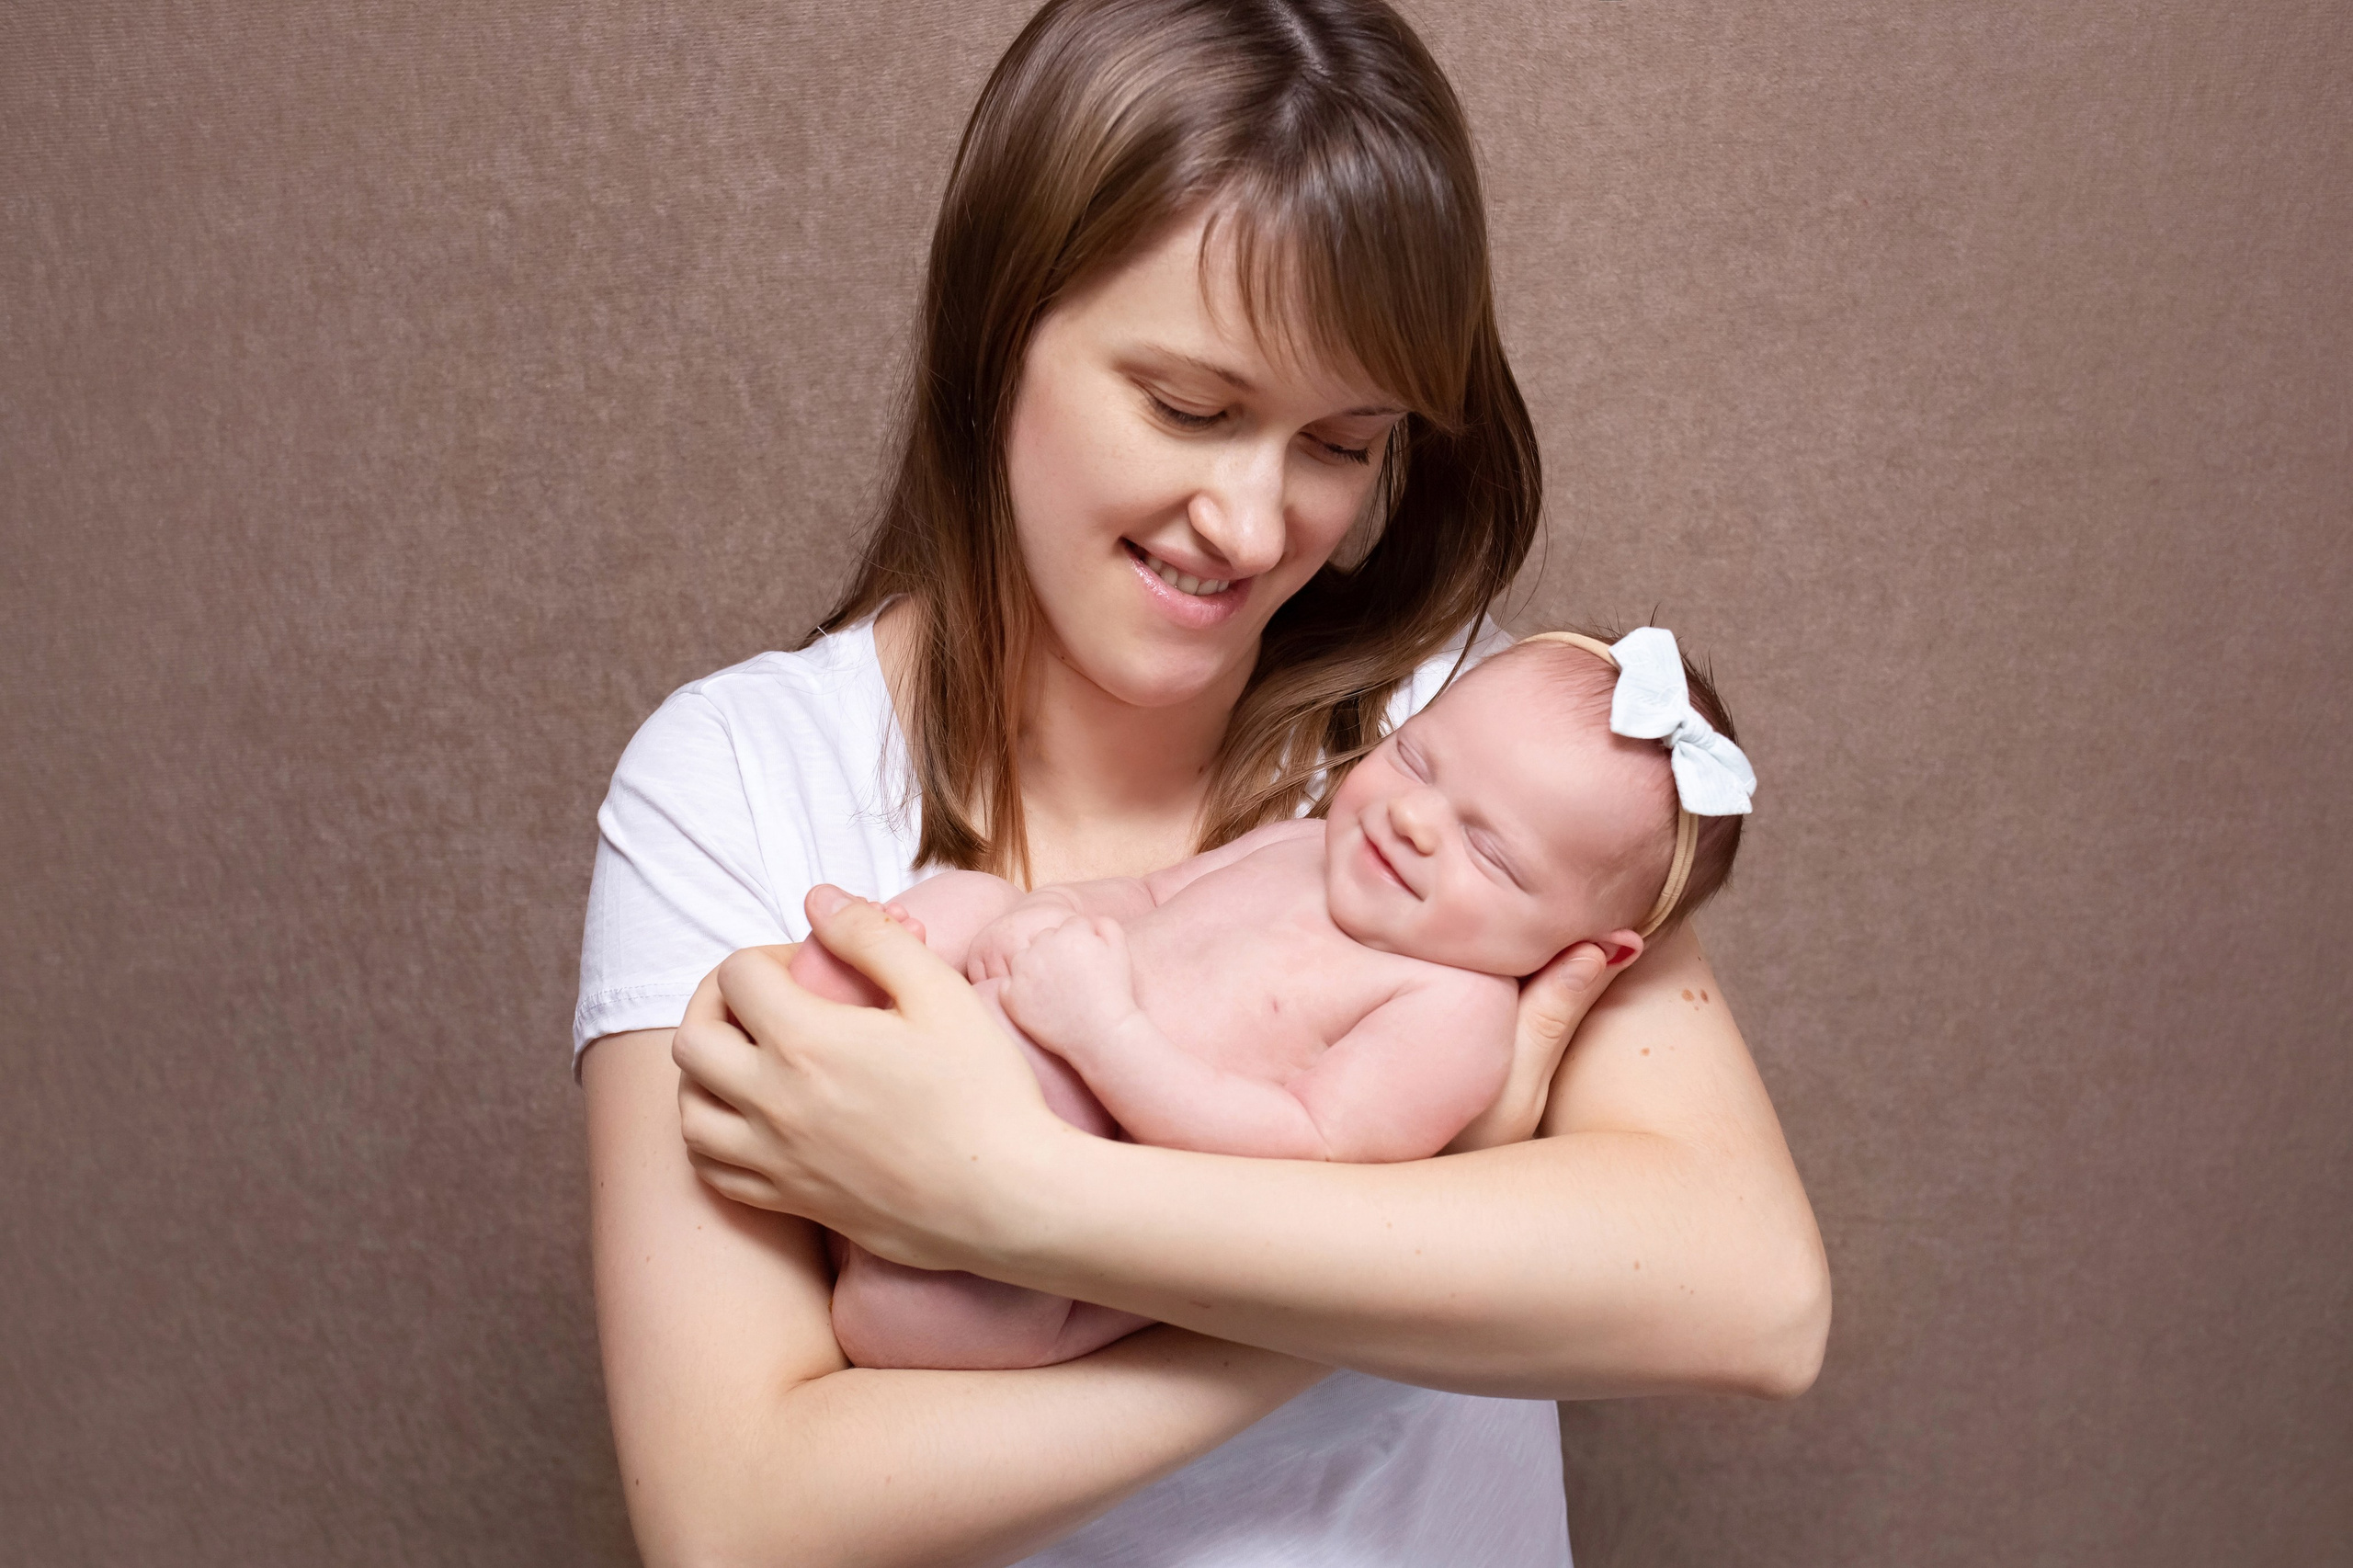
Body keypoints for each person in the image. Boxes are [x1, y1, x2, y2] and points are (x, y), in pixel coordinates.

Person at [575, 2, 1830, 1564]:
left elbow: (1751, 1294)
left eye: (1340, 443)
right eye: (1189, 407)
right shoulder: (743, 781)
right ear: (1001, 327)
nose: (1250, 523)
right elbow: (742, 1517)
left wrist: (1017, 1198)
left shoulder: (1481, 740)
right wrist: (1413, 1247)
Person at [813, 626, 1759, 1372]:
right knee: (974, 896)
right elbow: (1146, 895)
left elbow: (1302, 1151)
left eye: (1491, 852)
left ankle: (911, 1276)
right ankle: (849, 987)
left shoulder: (1450, 1012)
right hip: (1036, 1018)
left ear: (1590, 948)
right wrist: (1057, 911)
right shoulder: (1306, 844)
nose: (1412, 820)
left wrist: (1104, 1033)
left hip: (1077, 1189)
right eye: (1418, 760)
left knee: (906, 1314)